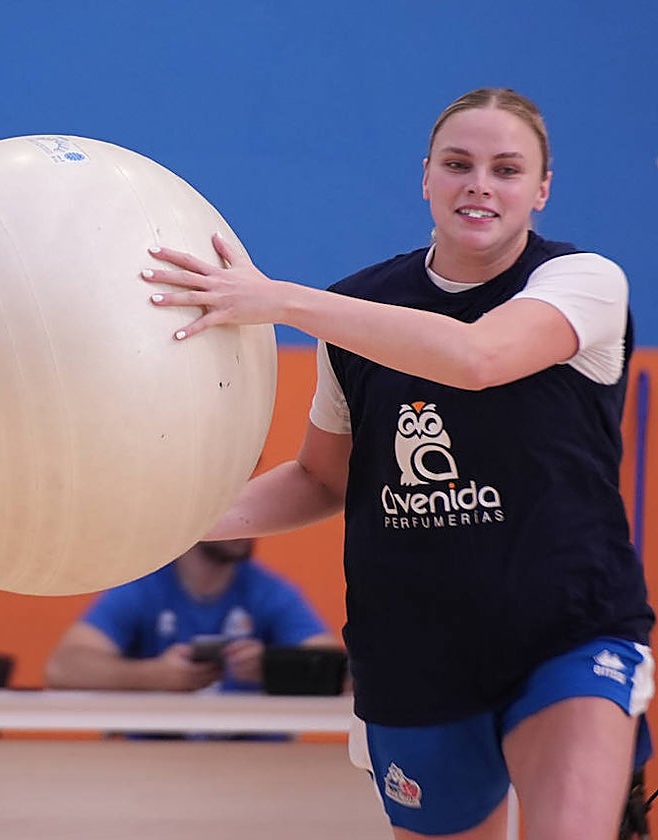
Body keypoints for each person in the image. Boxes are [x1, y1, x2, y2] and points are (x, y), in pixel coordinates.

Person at [141, 88, 654, 839]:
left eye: (507, 169)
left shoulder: (582, 283)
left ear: (541, 190)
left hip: (569, 629)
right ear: (426, 177)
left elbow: (480, 357)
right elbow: (323, 479)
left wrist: (280, 299)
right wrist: (166, 518)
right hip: (415, 653)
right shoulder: (358, 311)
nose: (480, 183)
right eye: (458, 163)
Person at [45, 538, 337, 694]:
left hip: (255, 762)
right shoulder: (143, 587)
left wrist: (273, 667)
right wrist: (155, 676)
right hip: (152, 764)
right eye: (232, 505)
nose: (249, 520)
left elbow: (343, 670)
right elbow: (63, 667)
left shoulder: (269, 591)